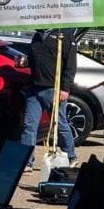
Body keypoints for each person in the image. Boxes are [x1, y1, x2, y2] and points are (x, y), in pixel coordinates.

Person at [21, 28, 79, 167]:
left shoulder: (64, 35)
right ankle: (26, 162)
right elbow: (34, 57)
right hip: (34, 88)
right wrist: (25, 61)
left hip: (54, 88)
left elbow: (71, 65)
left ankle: (71, 157)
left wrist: (65, 88)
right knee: (29, 126)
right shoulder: (37, 35)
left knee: (60, 124)